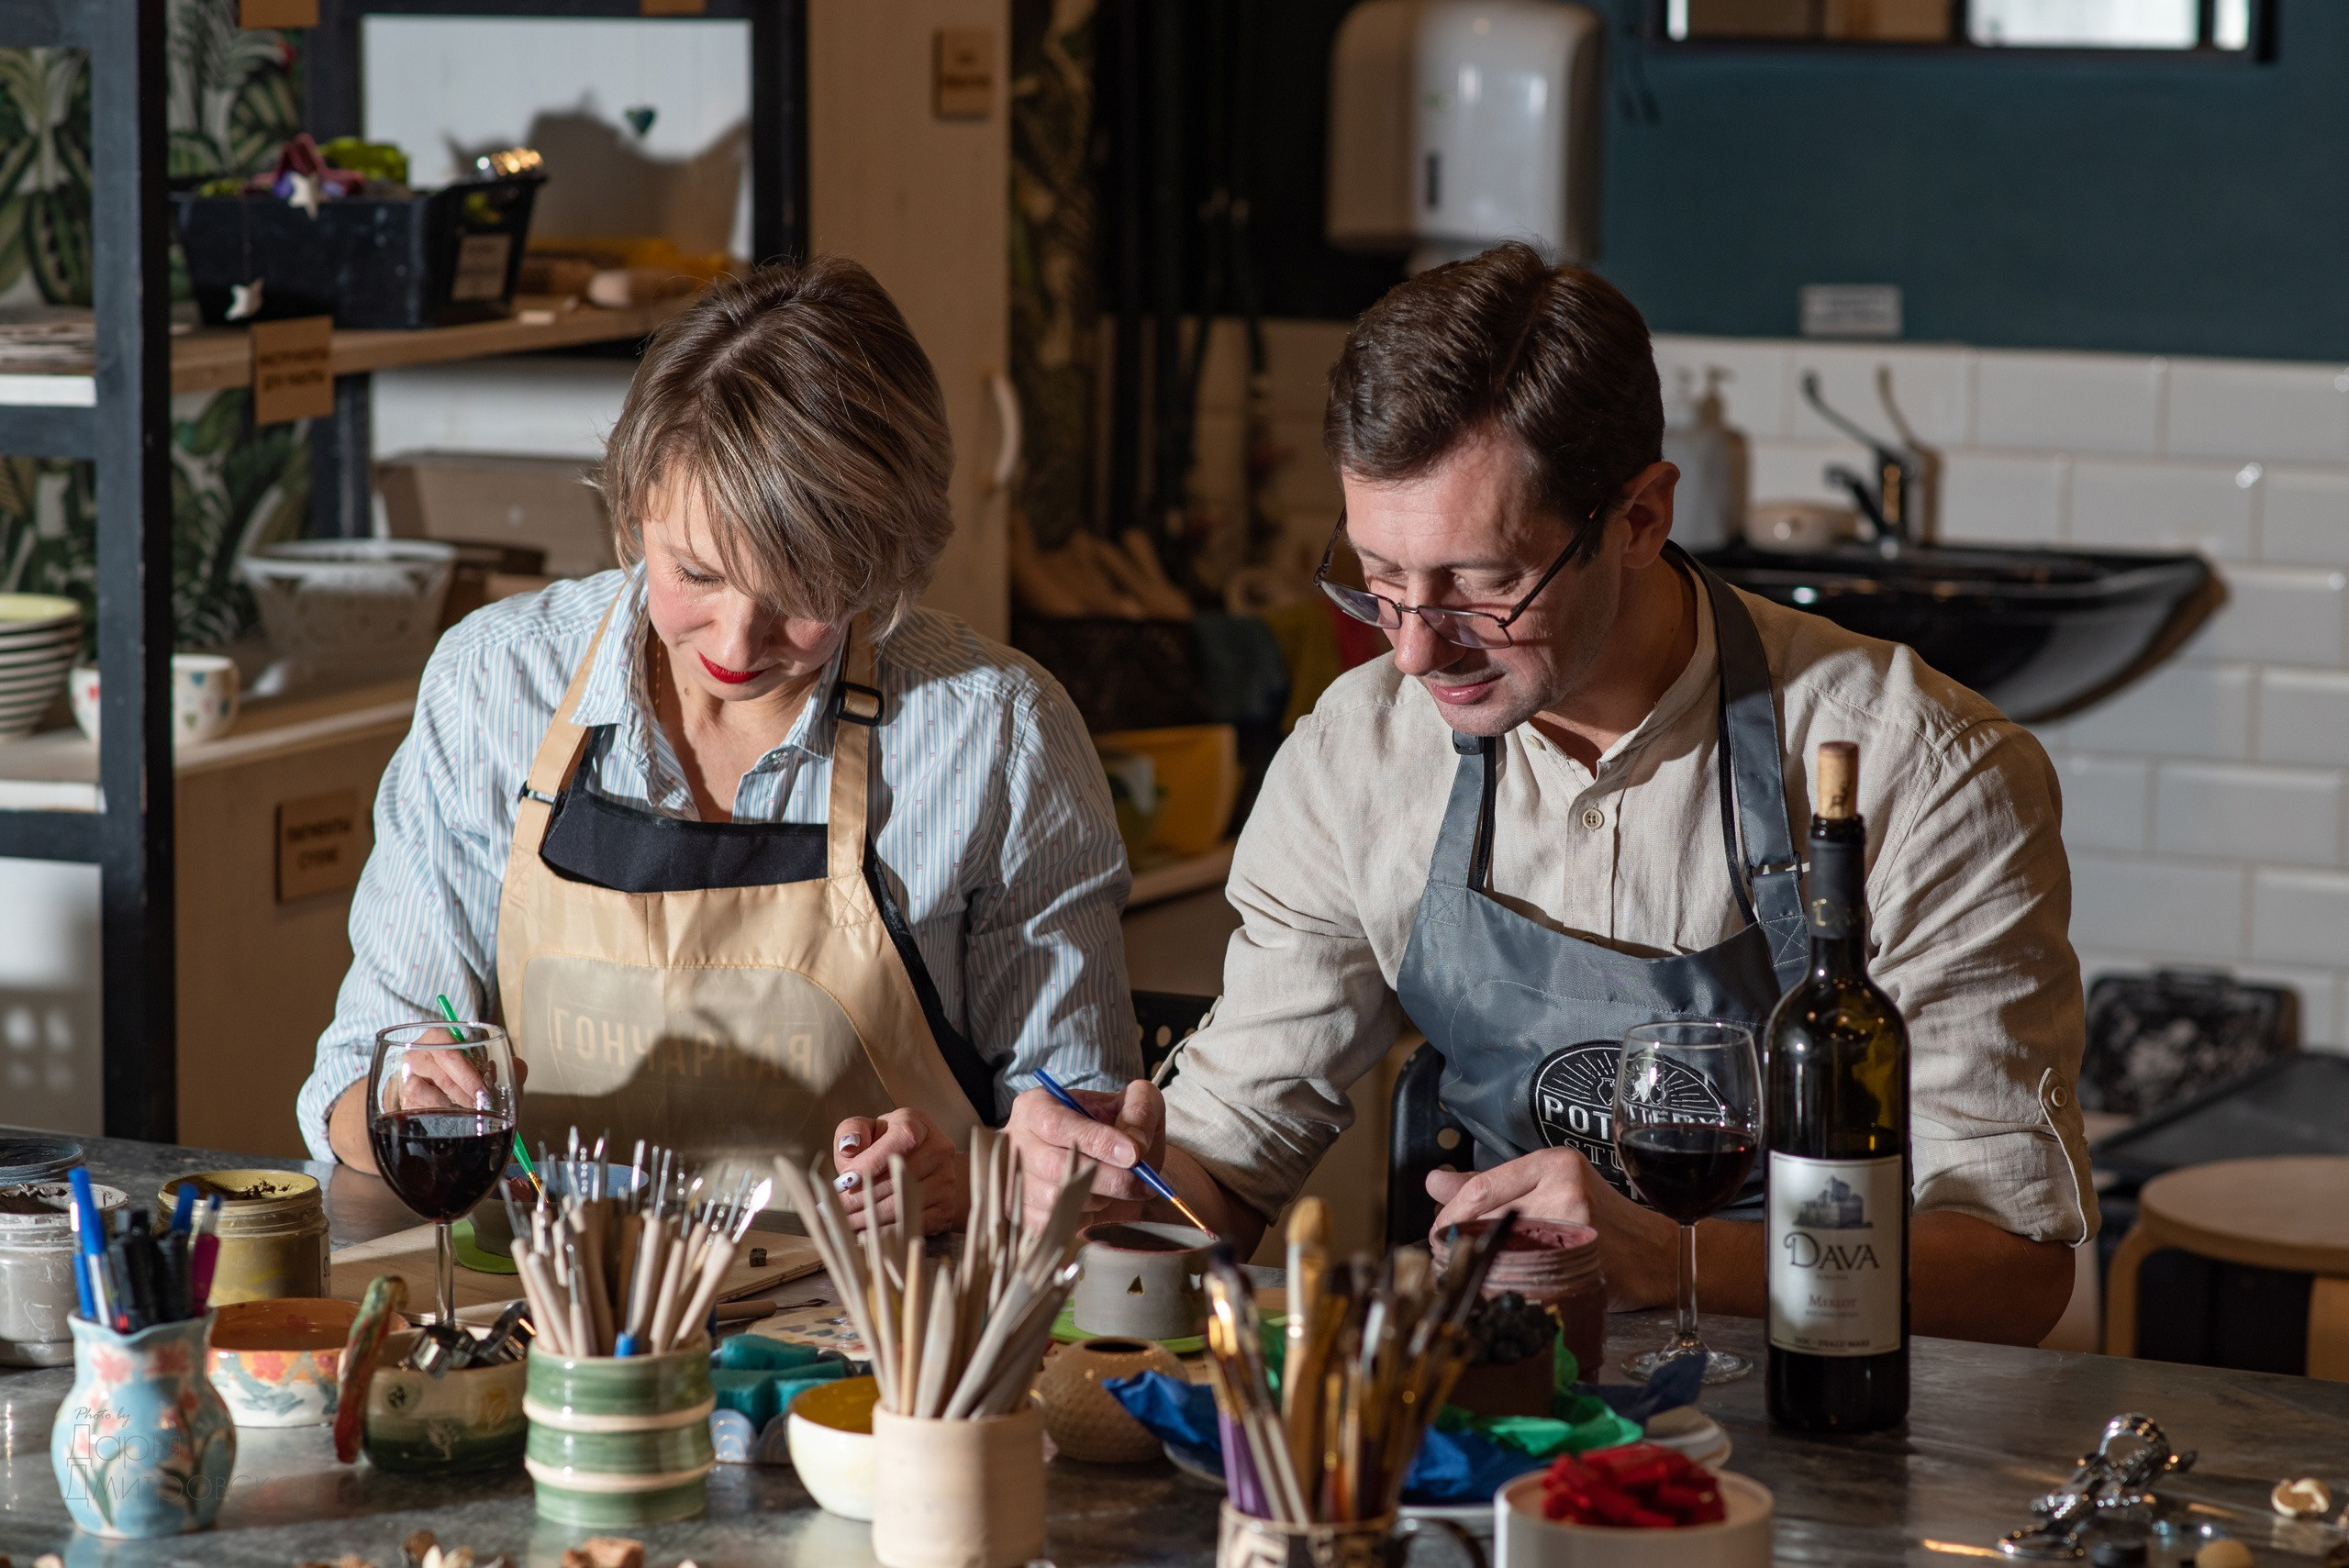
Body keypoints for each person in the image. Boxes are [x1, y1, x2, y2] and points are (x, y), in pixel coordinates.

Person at [1006, 243, 2093, 1345]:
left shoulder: (1919, 767)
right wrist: (1117, 1183)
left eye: (1482, 584)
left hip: (1830, 1411)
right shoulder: (1360, 754)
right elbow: (1225, 1170)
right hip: (1500, 1399)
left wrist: (1667, 1257)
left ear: (1637, 520)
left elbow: (2011, 1270)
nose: (1420, 649)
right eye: (1380, 582)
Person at [298, 257, 1138, 1234]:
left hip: (879, 1349)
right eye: (692, 571)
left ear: (885, 561)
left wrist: (981, 1177)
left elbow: (1085, 1148)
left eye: (802, 591)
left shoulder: (995, 733)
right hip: (549, 1333)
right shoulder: (494, 685)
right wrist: (403, 1103)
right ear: (631, 508)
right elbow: (344, 1099)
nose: (737, 644)